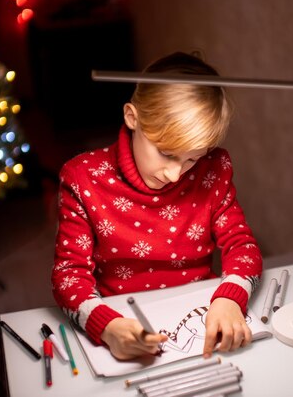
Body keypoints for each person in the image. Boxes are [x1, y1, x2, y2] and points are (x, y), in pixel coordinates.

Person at [51, 51, 263, 361]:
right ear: (132, 117)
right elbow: (68, 274)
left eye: (192, 158)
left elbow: (242, 245)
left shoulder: (213, 169)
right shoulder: (83, 179)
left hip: (200, 314)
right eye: (166, 153)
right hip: (124, 318)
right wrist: (106, 325)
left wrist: (231, 298)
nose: (175, 174)